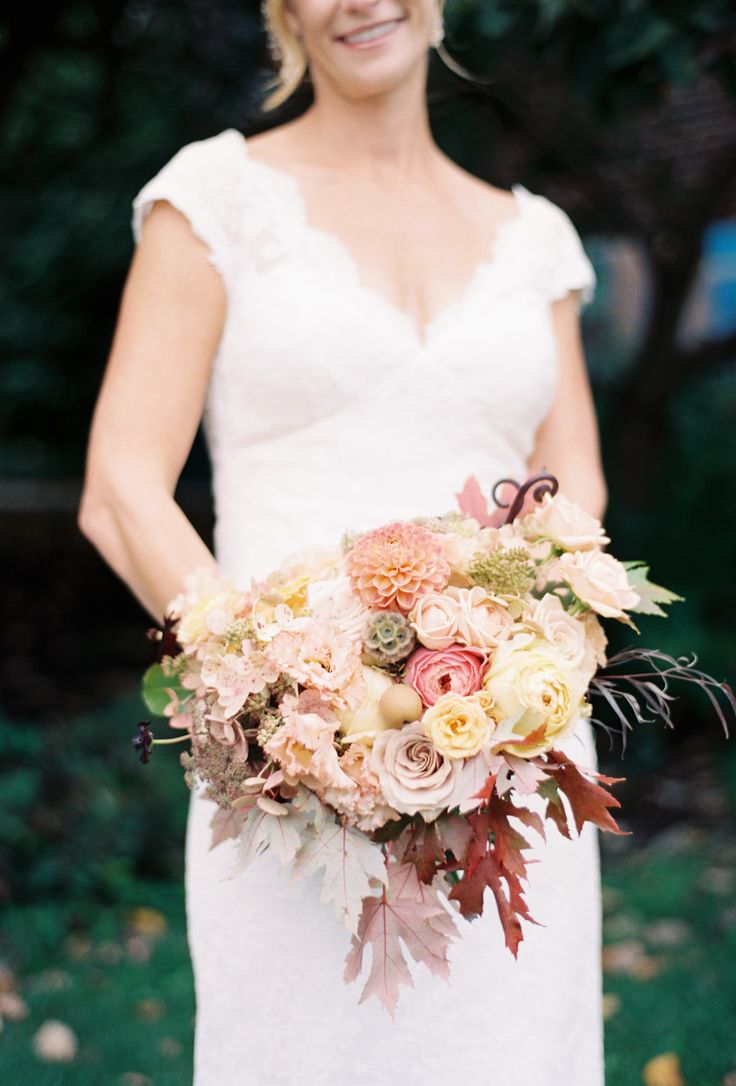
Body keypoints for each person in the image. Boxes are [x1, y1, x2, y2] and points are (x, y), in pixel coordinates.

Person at [78, 1, 608, 1082]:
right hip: (289, 775)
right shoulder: (213, 200)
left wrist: (516, 682)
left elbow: (576, 492)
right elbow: (122, 488)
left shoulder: (536, 237)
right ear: (281, 10)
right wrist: (282, 704)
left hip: (509, 757)